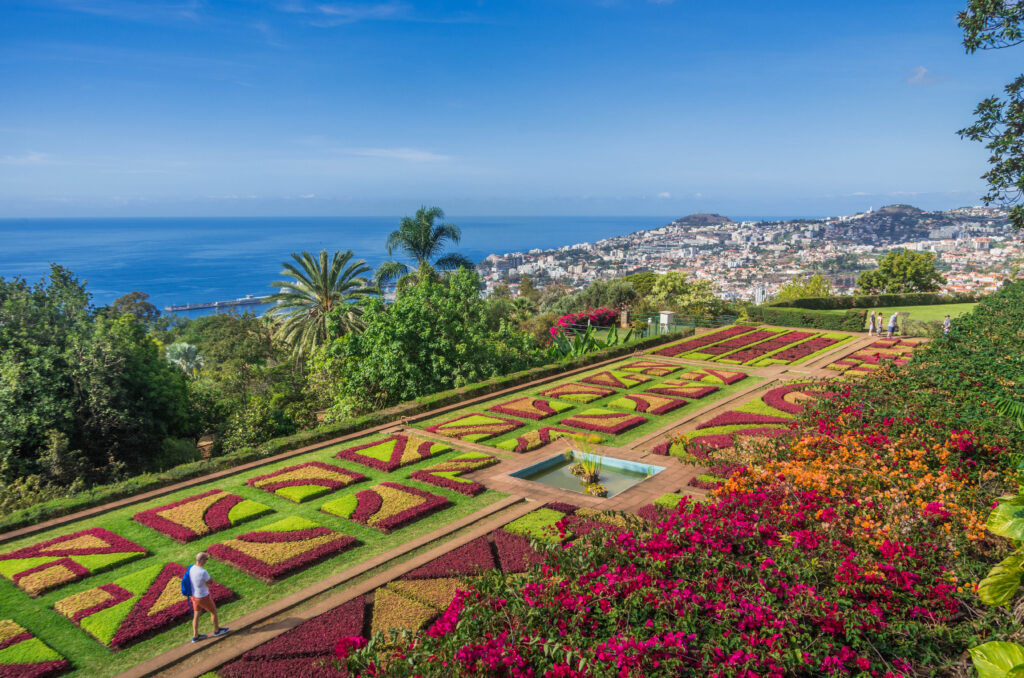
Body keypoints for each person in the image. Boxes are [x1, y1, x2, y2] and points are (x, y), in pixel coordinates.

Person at [189, 552, 228, 643]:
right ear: (202, 560)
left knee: (196, 616)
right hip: (203, 596)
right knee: (213, 611)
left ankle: (195, 636)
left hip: (194, 596)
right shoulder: (203, 572)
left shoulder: (191, 568)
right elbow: (210, 582)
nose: (206, 561)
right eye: (206, 559)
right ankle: (217, 631)